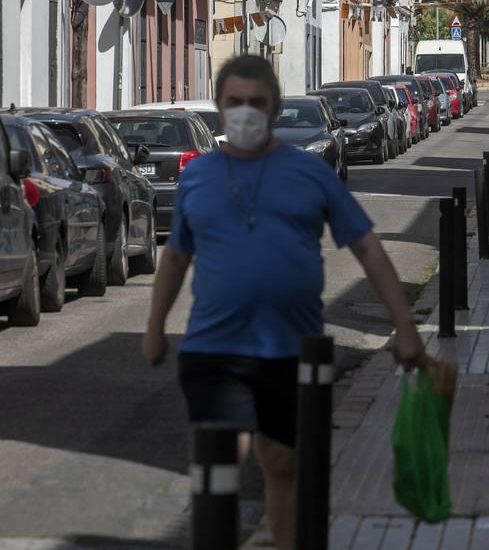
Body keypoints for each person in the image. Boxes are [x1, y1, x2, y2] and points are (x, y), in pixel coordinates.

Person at [142, 55, 425, 550]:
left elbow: (368, 248)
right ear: (219, 108)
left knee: (281, 462)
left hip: (288, 347)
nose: (245, 112)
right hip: (213, 347)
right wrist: (154, 326)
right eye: (235, 103)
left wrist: (404, 325)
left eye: (256, 103)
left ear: (273, 109)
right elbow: (175, 259)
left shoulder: (309, 173)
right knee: (221, 457)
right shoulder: (199, 177)